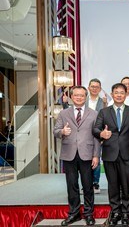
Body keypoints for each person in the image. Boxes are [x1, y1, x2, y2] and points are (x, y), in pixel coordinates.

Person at [93, 83, 129, 226]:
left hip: (128, 154)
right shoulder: (104, 112)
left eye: (122, 92)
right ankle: (115, 211)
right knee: (113, 185)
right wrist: (102, 133)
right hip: (109, 153)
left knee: (127, 185)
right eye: (116, 92)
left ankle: (126, 212)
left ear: (125, 94)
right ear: (112, 94)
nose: (119, 95)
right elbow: (96, 129)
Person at [53, 86, 100, 226]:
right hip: (69, 155)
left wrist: (96, 155)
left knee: (87, 186)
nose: (79, 98)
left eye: (81, 95)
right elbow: (55, 131)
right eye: (76, 95)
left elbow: (97, 136)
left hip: (87, 154)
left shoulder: (94, 113)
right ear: (72, 97)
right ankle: (74, 214)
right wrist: (62, 131)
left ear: (85, 97)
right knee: (71, 185)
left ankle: (89, 214)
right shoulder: (63, 113)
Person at [87, 78, 107, 194]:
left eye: (97, 87)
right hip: (84, 134)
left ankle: (95, 183)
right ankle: (86, 183)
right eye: (92, 86)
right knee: (85, 159)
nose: (94, 88)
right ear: (89, 88)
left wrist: (105, 104)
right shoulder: (83, 100)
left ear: (100, 89)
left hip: (98, 134)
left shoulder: (103, 101)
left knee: (96, 158)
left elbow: (106, 118)